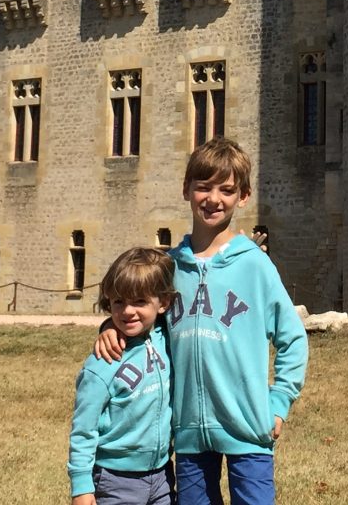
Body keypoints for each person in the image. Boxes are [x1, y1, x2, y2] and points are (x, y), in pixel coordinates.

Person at [97, 137, 308, 505]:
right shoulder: (169, 267)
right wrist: (110, 328)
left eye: (226, 190)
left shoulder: (255, 266)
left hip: (248, 427)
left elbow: (293, 338)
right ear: (186, 189)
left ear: (243, 196)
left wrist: (279, 403)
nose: (213, 198)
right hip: (189, 432)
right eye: (203, 187)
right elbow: (140, 315)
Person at [69, 247, 178, 505]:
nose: (128, 311)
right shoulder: (103, 363)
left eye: (139, 301)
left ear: (163, 303)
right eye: (119, 302)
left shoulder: (168, 337)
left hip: (163, 473)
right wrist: (81, 486)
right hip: (115, 479)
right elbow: (84, 429)